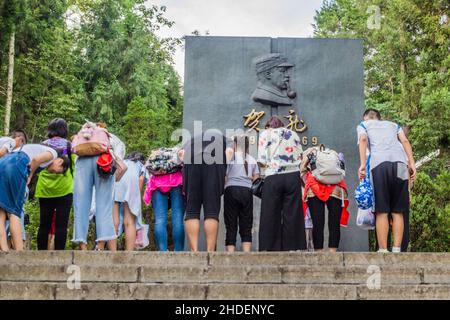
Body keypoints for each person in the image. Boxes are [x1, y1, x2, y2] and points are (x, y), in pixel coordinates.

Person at [357, 108, 416, 253]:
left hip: (380, 165)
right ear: (379, 118)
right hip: (401, 165)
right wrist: (412, 164)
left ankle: (383, 250)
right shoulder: (393, 125)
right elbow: (405, 141)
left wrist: (363, 165)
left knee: (382, 210)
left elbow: (363, 139)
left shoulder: (363, 125)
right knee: (398, 211)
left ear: (367, 118)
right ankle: (396, 249)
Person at [0, 143, 70, 251]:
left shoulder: (39, 148)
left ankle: (4, 250)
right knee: (14, 212)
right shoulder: (54, 153)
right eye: (55, 171)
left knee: (1, 211)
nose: (52, 172)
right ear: (60, 161)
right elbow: (36, 160)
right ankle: (20, 252)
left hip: (3, 162)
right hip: (17, 163)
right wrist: (30, 175)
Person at [257, 116, 306, 251]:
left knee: (270, 212)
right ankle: (293, 246)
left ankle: (270, 247)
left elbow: (261, 159)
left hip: (273, 176)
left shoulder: (265, 134)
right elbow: (300, 156)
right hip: (292, 176)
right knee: (292, 212)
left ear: (269, 125)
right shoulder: (293, 134)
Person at [72, 123, 117, 251]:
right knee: (104, 204)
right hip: (102, 162)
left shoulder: (82, 134)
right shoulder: (104, 133)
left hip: (82, 162)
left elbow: (69, 149)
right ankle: (101, 246)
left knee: (80, 204)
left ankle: (82, 245)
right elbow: (113, 149)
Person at [182, 130, 228, 252]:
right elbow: (227, 157)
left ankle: (194, 251)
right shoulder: (221, 140)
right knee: (211, 211)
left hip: (191, 160)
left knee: (192, 210)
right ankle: (210, 251)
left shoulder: (191, 141)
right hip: (214, 160)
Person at [35, 118, 75, 250]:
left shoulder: (42, 145)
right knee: (61, 225)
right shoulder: (69, 145)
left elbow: (36, 165)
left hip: (45, 189)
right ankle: (60, 256)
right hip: (64, 188)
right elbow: (73, 164)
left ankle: (40, 255)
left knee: (44, 225)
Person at [300, 147, 350, 252]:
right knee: (334, 223)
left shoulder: (310, 152)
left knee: (318, 222)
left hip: (314, 188)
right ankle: (333, 252)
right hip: (336, 187)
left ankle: (319, 252)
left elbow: (302, 169)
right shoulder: (334, 153)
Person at [223, 135, 259, 252]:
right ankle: (247, 254)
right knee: (246, 224)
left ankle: (230, 254)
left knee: (231, 224)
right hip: (246, 192)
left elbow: (225, 176)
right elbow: (256, 179)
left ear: (235, 145)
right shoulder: (252, 160)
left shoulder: (230, 158)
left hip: (231, 190)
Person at [143, 150, 185, 252]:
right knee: (178, 219)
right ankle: (178, 251)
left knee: (160, 219)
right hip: (177, 181)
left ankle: (162, 251)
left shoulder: (156, 156)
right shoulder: (177, 153)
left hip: (158, 183)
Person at [113, 152, 146, 251]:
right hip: (131, 183)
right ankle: (129, 252)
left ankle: (112, 251)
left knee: (114, 221)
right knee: (129, 222)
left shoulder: (122, 161)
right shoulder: (141, 165)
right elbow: (140, 181)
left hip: (117, 178)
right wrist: (136, 198)